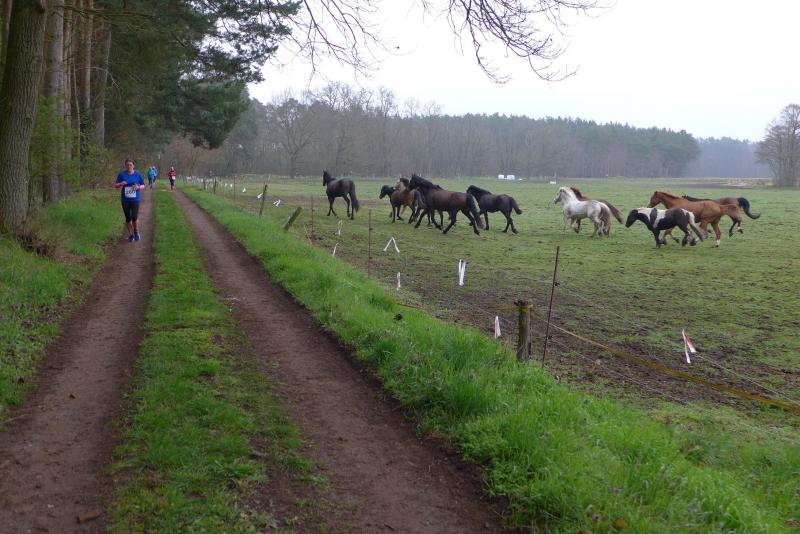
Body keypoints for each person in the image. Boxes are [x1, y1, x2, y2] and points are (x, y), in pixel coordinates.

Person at [114, 158, 145, 242]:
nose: (129, 166)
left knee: (134, 217)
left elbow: (143, 185)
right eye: (127, 165)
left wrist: (138, 187)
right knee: (128, 218)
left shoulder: (138, 174)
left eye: (130, 165)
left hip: (135, 199)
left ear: (133, 166)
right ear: (125, 166)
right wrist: (120, 183)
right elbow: (116, 186)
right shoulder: (122, 174)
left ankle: (136, 231)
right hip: (125, 199)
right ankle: (131, 235)